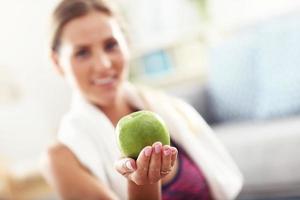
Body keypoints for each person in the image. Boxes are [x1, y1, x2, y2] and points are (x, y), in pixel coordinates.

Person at [42, 0, 243, 199]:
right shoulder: (61, 158)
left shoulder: (168, 109)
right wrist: (142, 185)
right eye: (82, 53)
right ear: (57, 62)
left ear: (127, 45)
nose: (103, 64)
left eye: (111, 45)